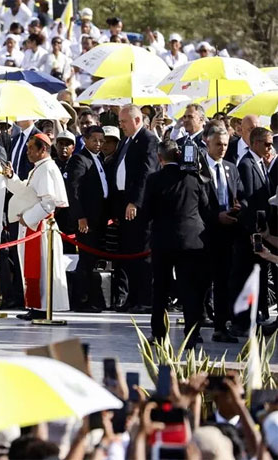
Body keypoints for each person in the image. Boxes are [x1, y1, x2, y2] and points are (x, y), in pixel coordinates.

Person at [143, 140, 210, 348]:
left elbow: (147, 212)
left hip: (163, 240)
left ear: (160, 158)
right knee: (190, 289)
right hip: (191, 241)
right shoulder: (193, 178)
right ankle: (192, 334)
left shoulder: (154, 179)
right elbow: (206, 206)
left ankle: (159, 333)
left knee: (160, 289)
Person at [3, 133, 69, 320]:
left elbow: (49, 202)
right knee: (31, 268)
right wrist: (11, 176)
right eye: (27, 148)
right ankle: (35, 306)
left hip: (40, 226)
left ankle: (42, 307)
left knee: (41, 268)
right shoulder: (38, 168)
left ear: (43, 149)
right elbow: (26, 191)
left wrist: (28, 217)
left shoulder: (47, 168)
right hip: (32, 225)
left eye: (32, 148)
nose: (28, 152)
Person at [110, 104, 159, 313]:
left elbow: (146, 173)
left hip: (139, 207)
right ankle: (131, 297)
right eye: (120, 122)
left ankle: (145, 299)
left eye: (124, 122)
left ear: (137, 120)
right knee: (128, 253)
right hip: (123, 203)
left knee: (141, 254)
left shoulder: (148, 140)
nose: (121, 126)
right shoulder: (125, 141)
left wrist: (135, 202)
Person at [200, 122, 245, 343]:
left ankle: (221, 326)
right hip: (204, 234)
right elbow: (196, 203)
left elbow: (241, 194)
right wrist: (215, 216)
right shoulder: (199, 169)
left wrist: (238, 208)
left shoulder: (231, 167)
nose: (222, 148)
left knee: (223, 281)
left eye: (226, 144)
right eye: (218, 144)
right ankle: (195, 325)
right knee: (201, 282)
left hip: (227, 235)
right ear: (207, 142)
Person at [232, 127, 274, 336]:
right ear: (254, 142)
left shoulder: (260, 163)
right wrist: (252, 232)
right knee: (245, 276)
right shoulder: (247, 164)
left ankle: (253, 315)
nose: (270, 147)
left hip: (260, 230)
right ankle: (242, 321)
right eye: (266, 143)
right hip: (249, 233)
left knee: (256, 276)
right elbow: (247, 199)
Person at [64, 126, 109, 313]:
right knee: (86, 260)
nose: (98, 144)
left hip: (99, 219)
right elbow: (73, 191)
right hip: (86, 220)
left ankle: (92, 298)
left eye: (101, 141)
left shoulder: (99, 159)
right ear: (85, 139)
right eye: (94, 140)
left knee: (92, 260)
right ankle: (82, 299)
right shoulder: (78, 160)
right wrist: (80, 217)